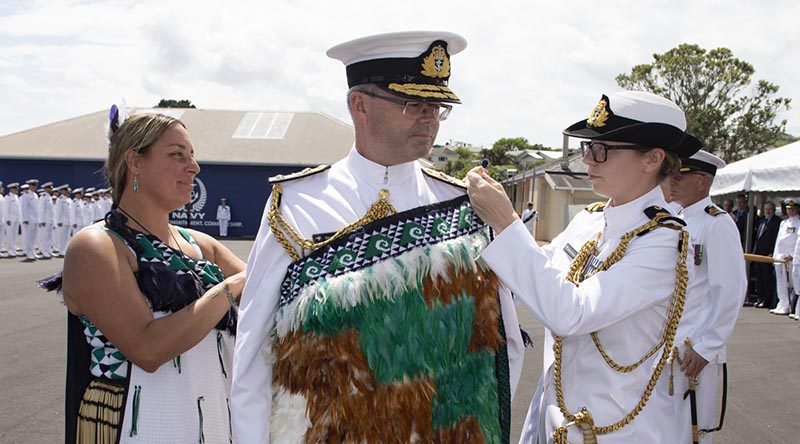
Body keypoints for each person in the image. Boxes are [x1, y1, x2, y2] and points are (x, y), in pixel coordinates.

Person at [232, 31, 523, 443]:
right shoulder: (297, 204)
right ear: (360, 105)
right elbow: (255, 351)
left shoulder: (463, 205)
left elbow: (503, 350)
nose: (430, 118)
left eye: (438, 107)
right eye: (413, 104)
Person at [467, 90, 700, 443]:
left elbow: (570, 312)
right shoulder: (590, 221)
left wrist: (507, 222)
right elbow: (539, 274)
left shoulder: (664, 242)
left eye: (601, 151)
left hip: (617, 430)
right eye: (587, 149)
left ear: (652, 158)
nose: (588, 162)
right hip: (553, 417)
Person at [41, 111, 247, 443]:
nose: (193, 166)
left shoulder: (201, 245)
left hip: (208, 421)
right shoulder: (97, 246)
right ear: (135, 162)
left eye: (192, 156)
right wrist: (228, 288)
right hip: (135, 424)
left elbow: (270, 290)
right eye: (177, 155)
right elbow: (147, 348)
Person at [668, 149, 747, 443]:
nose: (672, 181)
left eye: (680, 175)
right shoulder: (674, 220)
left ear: (703, 182)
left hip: (694, 349)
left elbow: (730, 290)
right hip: (664, 346)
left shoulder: (717, 224)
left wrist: (707, 347)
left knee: (690, 432)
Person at [770, 200, 799, 315]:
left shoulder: (798, 223)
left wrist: (792, 255)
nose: (789, 211)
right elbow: (778, 241)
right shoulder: (783, 223)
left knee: (790, 283)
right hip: (780, 257)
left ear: (797, 209)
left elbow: (797, 241)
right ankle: (782, 303)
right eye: (788, 209)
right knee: (780, 282)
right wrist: (775, 255)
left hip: (790, 257)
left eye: (792, 209)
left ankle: (789, 305)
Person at [752, 201, 780, 308]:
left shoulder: (777, 222)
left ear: (773, 210)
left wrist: (773, 253)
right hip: (758, 253)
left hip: (767, 254)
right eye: (766, 209)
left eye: (769, 209)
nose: (767, 211)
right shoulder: (761, 220)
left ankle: (766, 300)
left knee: (767, 278)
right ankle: (760, 297)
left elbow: (776, 239)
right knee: (759, 278)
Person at [20, 179, 40, 261]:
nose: (34, 187)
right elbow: (24, 208)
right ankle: (29, 253)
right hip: (29, 219)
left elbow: (37, 209)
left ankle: (32, 251)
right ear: (30, 186)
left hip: (35, 219)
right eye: (33, 185)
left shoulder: (35, 195)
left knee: (33, 237)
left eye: (35, 185)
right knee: (29, 237)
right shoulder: (26, 195)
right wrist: (25, 219)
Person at [38, 181, 55, 259]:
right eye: (49, 188)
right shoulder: (43, 197)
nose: (51, 189)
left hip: (50, 220)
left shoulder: (49, 197)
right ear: (46, 189)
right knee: (45, 237)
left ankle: (48, 251)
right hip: (45, 221)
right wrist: (41, 220)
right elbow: (41, 209)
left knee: (49, 237)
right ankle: (45, 252)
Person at [3, 182, 21, 257]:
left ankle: (13, 249)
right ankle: (10, 251)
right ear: (11, 189)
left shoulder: (16, 196)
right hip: (10, 220)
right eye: (15, 189)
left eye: (17, 189)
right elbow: (6, 209)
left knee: (14, 235)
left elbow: (18, 209)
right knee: (10, 236)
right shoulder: (8, 197)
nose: (17, 190)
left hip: (16, 219)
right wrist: (7, 219)